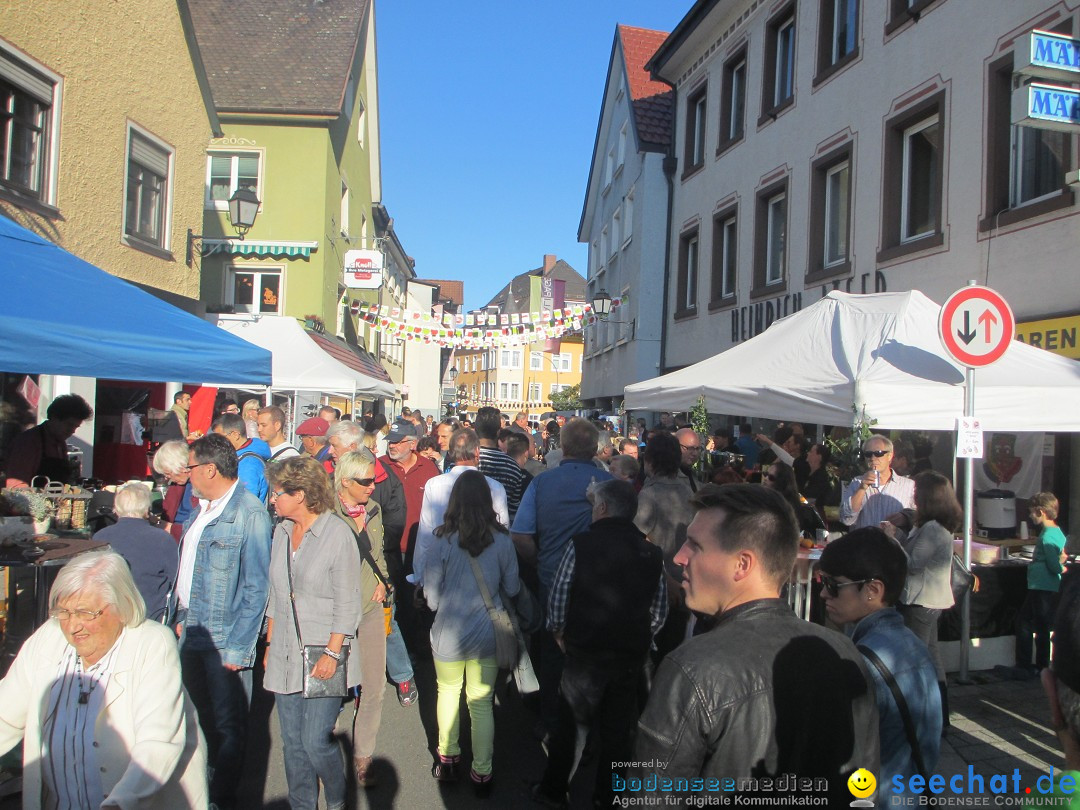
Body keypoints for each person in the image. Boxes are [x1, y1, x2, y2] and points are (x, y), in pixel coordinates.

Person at [634, 484, 879, 807]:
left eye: (694, 545)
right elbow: (863, 786)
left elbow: (653, 798)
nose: (679, 558)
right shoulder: (844, 653)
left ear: (743, 564)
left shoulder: (691, 668)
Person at [0, 552, 207, 807]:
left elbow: (157, 744)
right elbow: (4, 715)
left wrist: (120, 804)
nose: (72, 625)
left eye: (85, 613)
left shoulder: (152, 644)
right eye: (64, 612)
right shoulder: (48, 639)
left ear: (121, 607)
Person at [534, 479, 666, 808]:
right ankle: (609, 796)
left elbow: (560, 592)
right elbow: (659, 608)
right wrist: (642, 637)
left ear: (602, 508)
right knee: (618, 732)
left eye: (594, 506)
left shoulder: (581, 543)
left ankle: (554, 789)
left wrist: (559, 631)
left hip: (585, 650)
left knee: (572, 727)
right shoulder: (651, 552)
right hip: (628, 655)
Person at [172, 432, 272, 810]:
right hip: (190, 626)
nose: (187, 473)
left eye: (191, 466)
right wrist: (182, 616)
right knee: (193, 717)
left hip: (224, 636)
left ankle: (220, 797)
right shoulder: (204, 508)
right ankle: (197, 789)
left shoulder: (249, 514)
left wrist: (239, 647)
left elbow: (256, 587)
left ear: (210, 469)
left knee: (229, 725)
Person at [263, 457, 363, 810]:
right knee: (291, 743)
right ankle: (302, 805)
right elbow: (276, 592)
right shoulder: (281, 532)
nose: (273, 500)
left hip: (325, 652)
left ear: (301, 494)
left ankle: (337, 800)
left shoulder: (337, 534)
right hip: (285, 652)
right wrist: (271, 640)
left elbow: (348, 602)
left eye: (278, 494)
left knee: (314, 741)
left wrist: (333, 653)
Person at [512, 418, 613, 736]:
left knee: (552, 649)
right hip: (595, 581)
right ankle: (584, 722)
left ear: (562, 446)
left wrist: (540, 560)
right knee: (588, 652)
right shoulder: (607, 482)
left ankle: (550, 718)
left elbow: (520, 535)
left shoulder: (543, 482)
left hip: (551, 575)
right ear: (595, 448)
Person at [425, 470, 520, 798]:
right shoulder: (503, 540)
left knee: (447, 691)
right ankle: (483, 771)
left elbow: (432, 597)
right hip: (487, 635)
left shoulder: (441, 539)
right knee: (480, 702)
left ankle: (448, 756)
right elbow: (513, 586)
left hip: (448, 633)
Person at [819, 528, 942, 779]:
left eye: (833, 585)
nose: (823, 593)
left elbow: (842, 757)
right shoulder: (914, 645)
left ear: (873, 590)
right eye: (823, 582)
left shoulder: (863, 662)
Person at [333, 450, 395, 786]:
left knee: (374, 686)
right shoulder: (327, 514)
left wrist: (383, 583)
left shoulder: (373, 509)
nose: (372, 487)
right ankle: (324, 751)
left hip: (370, 608)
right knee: (332, 686)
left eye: (373, 480)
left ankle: (363, 757)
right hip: (336, 612)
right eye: (365, 481)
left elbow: (378, 550)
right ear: (345, 482)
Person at [880, 470, 960, 720]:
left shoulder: (933, 529)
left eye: (917, 494)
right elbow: (913, 551)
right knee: (932, 656)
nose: (914, 498)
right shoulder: (927, 526)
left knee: (916, 658)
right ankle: (940, 715)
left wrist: (892, 539)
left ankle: (921, 714)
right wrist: (899, 534)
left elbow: (913, 564)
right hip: (924, 600)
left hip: (921, 602)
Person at [415, 428, 509, 585]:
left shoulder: (434, 484)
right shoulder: (495, 487)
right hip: (486, 572)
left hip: (444, 570)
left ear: (451, 452)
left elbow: (425, 535)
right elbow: (504, 532)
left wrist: (420, 578)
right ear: (477, 452)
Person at [635, 430, 695, 663]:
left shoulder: (649, 495)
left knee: (654, 660)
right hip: (685, 582)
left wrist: (666, 579)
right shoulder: (688, 491)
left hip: (660, 587)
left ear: (649, 461)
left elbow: (638, 542)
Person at [92, 483, 179, 621]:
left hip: (107, 617)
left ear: (116, 510)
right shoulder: (163, 540)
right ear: (147, 511)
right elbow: (177, 583)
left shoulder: (100, 537)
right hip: (150, 620)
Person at [1016, 491, 1067, 675]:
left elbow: (1054, 563)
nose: (1030, 516)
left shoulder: (1047, 536)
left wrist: (1062, 568)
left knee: (1033, 623)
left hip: (1042, 585)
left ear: (1041, 512)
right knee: (1036, 623)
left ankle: (1035, 664)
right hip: (1041, 584)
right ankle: (1038, 664)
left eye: (1031, 512)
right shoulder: (1053, 532)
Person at [4, 393, 92, 487]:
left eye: (76, 427)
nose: (73, 431)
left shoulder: (60, 444)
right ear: (54, 418)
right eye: (69, 425)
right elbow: (16, 485)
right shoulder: (29, 442)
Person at [841, 434, 916, 529]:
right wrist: (861, 489)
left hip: (893, 543)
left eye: (878, 453)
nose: (872, 458)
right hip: (866, 542)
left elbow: (919, 518)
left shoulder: (908, 486)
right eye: (868, 454)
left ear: (890, 456)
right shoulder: (857, 482)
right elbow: (846, 519)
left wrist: (905, 518)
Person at [476, 406, 530, 521]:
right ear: (498, 432)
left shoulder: (466, 460)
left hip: (465, 531)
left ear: (475, 430)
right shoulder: (512, 467)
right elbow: (513, 510)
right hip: (499, 530)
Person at [212, 412, 271, 502]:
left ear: (235, 435)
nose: (217, 443)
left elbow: (244, 502)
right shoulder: (238, 456)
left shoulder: (249, 463)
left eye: (220, 438)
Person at [763, 461, 825, 539]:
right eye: (765, 474)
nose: (765, 479)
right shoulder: (764, 498)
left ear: (781, 481)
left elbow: (821, 532)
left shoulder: (798, 499)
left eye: (771, 477)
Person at [153, 439, 196, 542]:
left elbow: (197, 528)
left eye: (168, 473)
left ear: (181, 467)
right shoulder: (177, 485)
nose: (167, 478)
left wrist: (168, 527)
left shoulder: (201, 486)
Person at [802, 442, 841, 518]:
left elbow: (812, 499)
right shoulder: (806, 472)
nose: (808, 453)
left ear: (819, 457)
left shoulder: (822, 477)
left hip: (817, 516)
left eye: (811, 451)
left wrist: (797, 500)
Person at [674, 427, 702, 492]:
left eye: (697, 449)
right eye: (690, 448)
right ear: (675, 446)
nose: (695, 453)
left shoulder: (693, 474)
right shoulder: (666, 477)